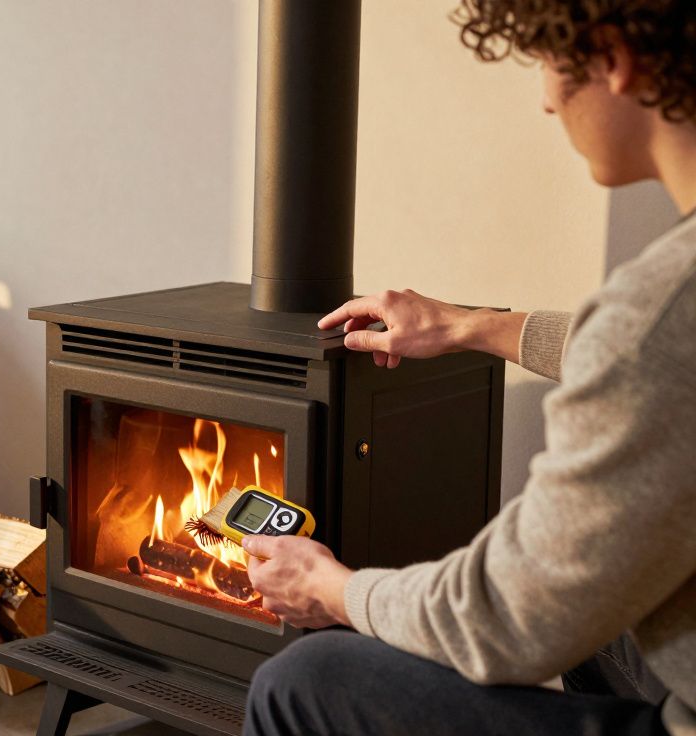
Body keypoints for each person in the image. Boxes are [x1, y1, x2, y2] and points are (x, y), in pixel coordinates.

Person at [242, 2, 696, 734]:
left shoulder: (660, 312)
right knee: (606, 614)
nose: (547, 99)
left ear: (613, 57)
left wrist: (331, 589)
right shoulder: (668, 313)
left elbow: (507, 617)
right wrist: (471, 325)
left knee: (304, 679)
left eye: (549, 61)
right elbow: (660, 365)